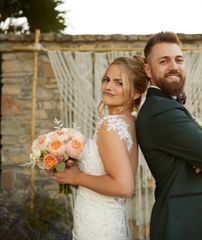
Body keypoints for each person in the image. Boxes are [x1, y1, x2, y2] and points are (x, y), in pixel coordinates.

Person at [136, 32, 202, 240]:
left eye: (178, 60)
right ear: (148, 69)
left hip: (190, 224)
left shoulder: (167, 105)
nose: (174, 66)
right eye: (164, 61)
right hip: (181, 227)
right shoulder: (160, 111)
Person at [52, 56, 149, 240]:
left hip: (98, 226)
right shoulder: (130, 122)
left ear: (136, 92)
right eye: (106, 79)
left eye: (119, 83)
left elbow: (123, 187)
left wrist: (77, 177)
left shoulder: (109, 125)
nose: (108, 86)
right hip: (110, 220)